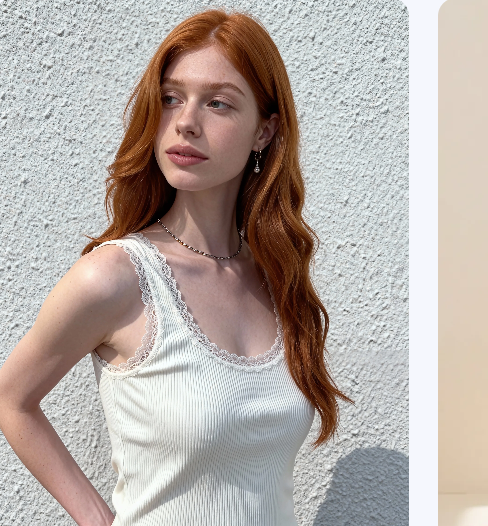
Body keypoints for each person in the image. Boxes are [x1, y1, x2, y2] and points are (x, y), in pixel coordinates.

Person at [0, 9, 349, 526]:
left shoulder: (276, 279)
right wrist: (98, 518)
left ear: (265, 130)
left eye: (218, 103)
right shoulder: (117, 277)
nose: (186, 121)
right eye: (170, 98)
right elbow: (12, 399)